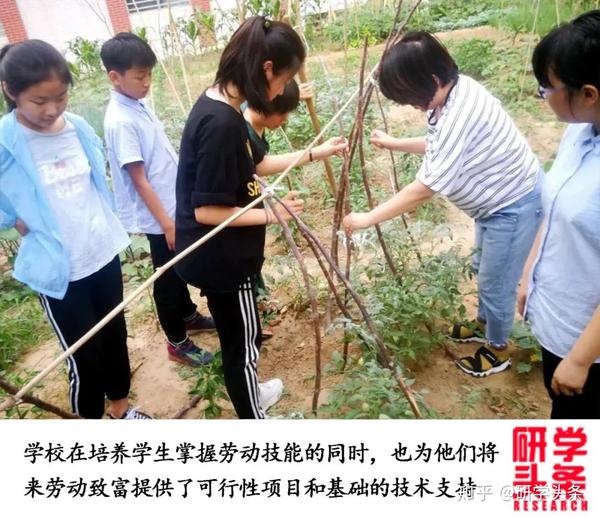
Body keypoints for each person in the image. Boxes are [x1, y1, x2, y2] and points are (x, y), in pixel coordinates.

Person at [343, 31, 543, 378]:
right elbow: (439, 145)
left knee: (496, 281)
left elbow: (425, 188)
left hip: (513, 204)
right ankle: (483, 324)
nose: (412, 105)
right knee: (484, 268)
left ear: (433, 79)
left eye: (410, 96)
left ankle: (498, 349)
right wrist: (395, 143)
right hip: (494, 207)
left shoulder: (459, 111)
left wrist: (367, 218)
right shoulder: (452, 93)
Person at [175, 16, 346, 418]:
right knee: (242, 345)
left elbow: (256, 163)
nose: (283, 90)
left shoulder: (223, 107)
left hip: (227, 255)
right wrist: (274, 214)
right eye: (284, 79)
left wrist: (314, 153)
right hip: (222, 260)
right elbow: (207, 211)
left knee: (243, 336)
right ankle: (255, 417)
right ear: (267, 69)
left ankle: (252, 393)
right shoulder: (220, 124)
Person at [0, 40, 150, 419]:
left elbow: (95, 182)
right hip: (60, 270)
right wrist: (14, 219)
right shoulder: (5, 142)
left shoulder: (79, 128)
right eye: (38, 101)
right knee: (84, 356)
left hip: (101, 252)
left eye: (61, 97)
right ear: (10, 91)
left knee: (115, 336)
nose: (51, 110)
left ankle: (121, 409)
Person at [101, 33, 215, 368]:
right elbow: (138, 179)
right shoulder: (120, 120)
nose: (147, 82)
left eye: (149, 74)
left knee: (178, 266)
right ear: (115, 76)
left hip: (171, 204)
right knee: (166, 275)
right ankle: (177, 342)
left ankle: (188, 314)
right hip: (158, 214)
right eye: (139, 77)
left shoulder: (138, 104)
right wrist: (166, 223)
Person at [519, 10, 600, 418]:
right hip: (561, 321)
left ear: (588, 93)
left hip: (589, 347)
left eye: (546, 88)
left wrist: (582, 359)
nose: (543, 95)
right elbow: (554, 210)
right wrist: (529, 275)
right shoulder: (580, 132)